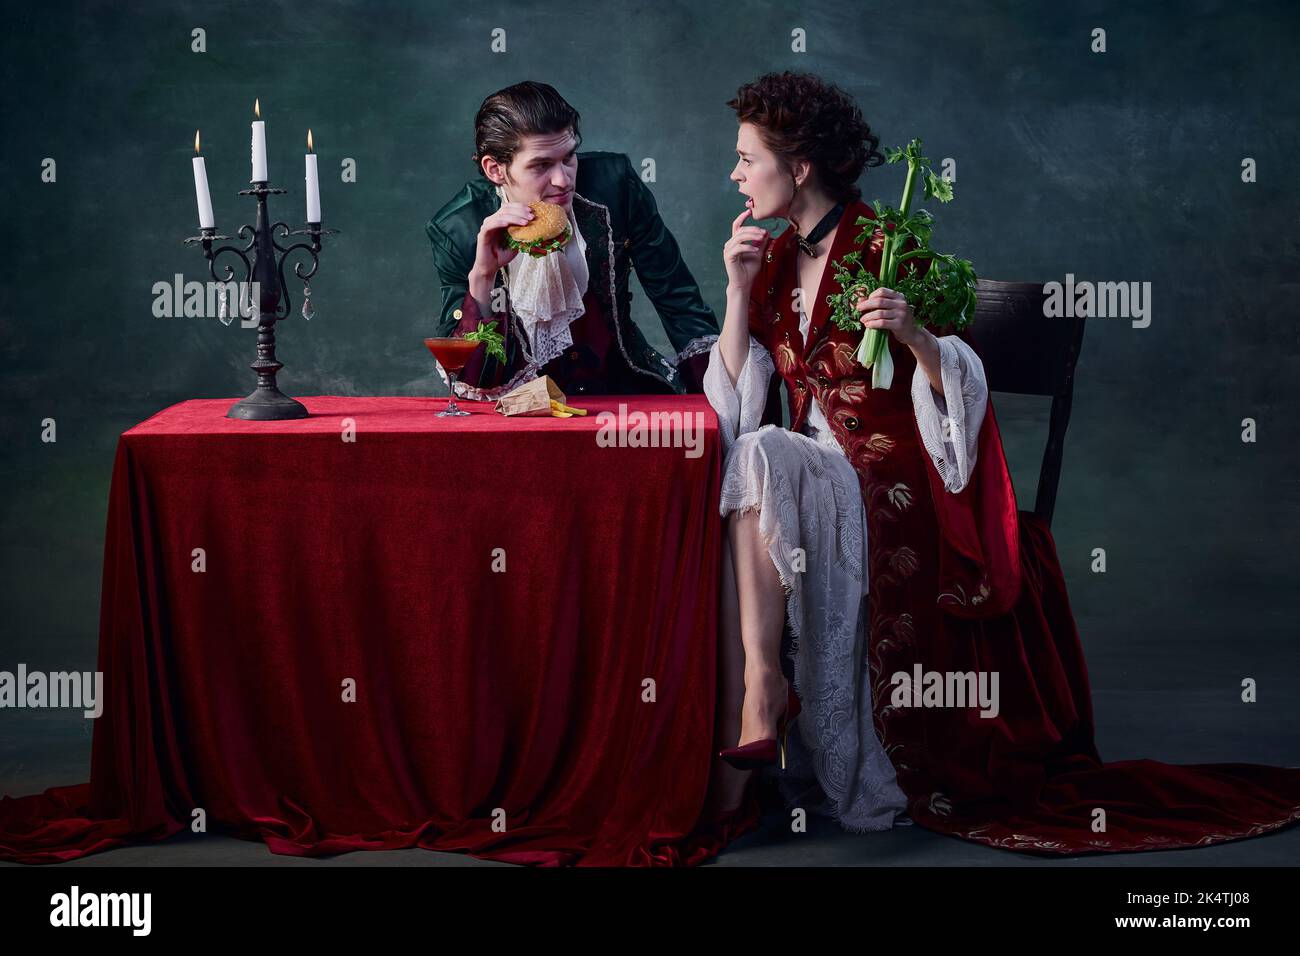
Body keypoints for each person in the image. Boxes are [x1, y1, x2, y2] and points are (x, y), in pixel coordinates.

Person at [704, 70, 1300, 852]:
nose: (735, 174)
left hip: (893, 485)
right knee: (752, 454)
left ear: (801, 166)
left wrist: (915, 333)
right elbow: (734, 405)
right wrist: (738, 291)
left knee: (760, 456)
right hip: (807, 481)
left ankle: (761, 707)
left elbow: (960, 383)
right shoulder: (772, 260)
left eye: (747, 158)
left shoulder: (891, 247)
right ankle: (758, 698)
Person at [426, 80, 720, 400]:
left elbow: (676, 297)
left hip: (622, 393)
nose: (563, 180)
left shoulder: (615, 185)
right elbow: (470, 379)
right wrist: (482, 277)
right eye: (541, 165)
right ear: (495, 169)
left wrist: (719, 402)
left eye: (568, 157)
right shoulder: (458, 229)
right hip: (521, 410)